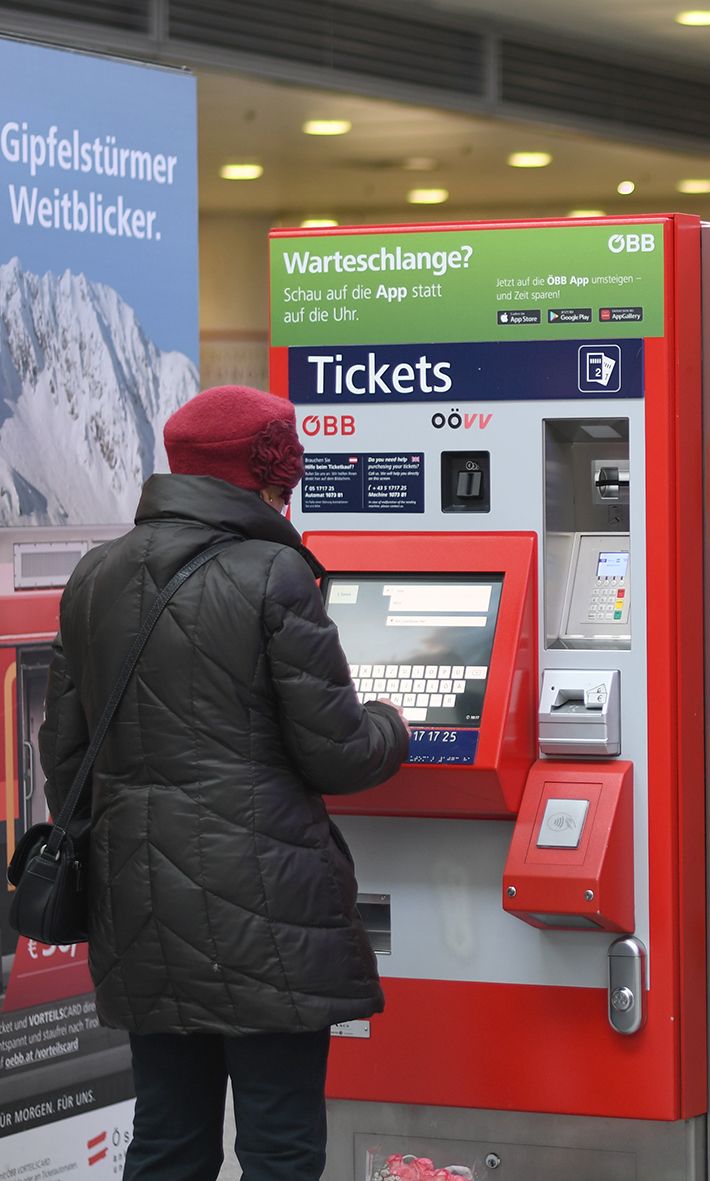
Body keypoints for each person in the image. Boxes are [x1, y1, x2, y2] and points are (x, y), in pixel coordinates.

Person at [41, 385, 409, 1181]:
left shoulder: (94, 577)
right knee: (279, 1148)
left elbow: (65, 763)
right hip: (268, 916)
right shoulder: (273, 574)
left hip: (142, 911)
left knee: (168, 1141)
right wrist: (394, 720)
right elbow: (338, 753)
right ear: (262, 473)